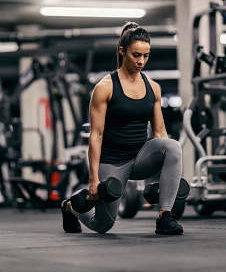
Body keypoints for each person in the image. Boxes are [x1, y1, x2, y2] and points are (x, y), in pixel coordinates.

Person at [61, 22, 183, 235]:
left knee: (172, 146)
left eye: (146, 55)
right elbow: (96, 135)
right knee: (103, 225)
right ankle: (70, 207)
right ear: (122, 51)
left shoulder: (153, 88)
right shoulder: (105, 87)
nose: (141, 61)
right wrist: (93, 180)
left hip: (140, 157)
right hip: (113, 161)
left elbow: (159, 134)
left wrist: (164, 178)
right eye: (136, 55)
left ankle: (165, 217)